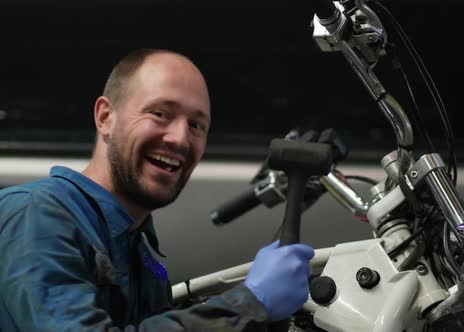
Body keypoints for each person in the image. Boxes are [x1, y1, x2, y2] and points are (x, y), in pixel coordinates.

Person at [0, 49, 314, 331]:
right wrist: (249, 302)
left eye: (196, 125)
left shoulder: (142, 259)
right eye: (160, 114)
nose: (180, 138)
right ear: (105, 117)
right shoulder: (36, 215)